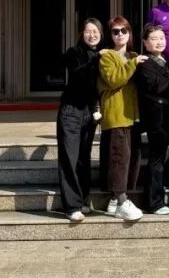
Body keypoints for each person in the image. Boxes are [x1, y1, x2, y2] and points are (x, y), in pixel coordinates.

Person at [134, 23, 169, 215]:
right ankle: (154, 202)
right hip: (156, 118)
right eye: (154, 38)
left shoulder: (165, 61)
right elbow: (159, 85)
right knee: (157, 157)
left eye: (161, 38)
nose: (159, 42)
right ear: (145, 42)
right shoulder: (144, 63)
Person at [98, 16, 148, 221]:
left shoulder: (134, 55)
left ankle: (113, 199)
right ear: (110, 35)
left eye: (123, 30)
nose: (120, 34)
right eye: (115, 31)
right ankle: (121, 200)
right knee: (119, 158)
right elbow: (114, 79)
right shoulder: (107, 57)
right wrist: (132, 64)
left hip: (133, 116)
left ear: (130, 33)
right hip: (116, 115)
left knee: (131, 158)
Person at [57, 18, 103, 222]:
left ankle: (83, 199)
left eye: (96, 31)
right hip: (71, 110)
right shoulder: (74, 53)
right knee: (70, 157)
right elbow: (77, 74)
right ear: (81, 34)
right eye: (88, 31)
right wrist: (96, 60)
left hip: (89, 113)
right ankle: (72, 206)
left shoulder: (102, 55)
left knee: (83, 159)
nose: (92, 35)